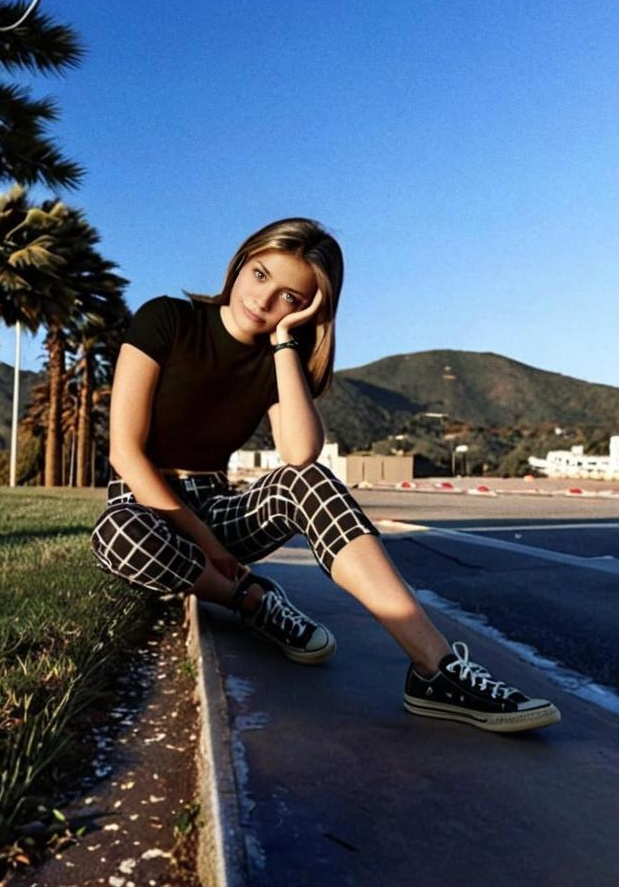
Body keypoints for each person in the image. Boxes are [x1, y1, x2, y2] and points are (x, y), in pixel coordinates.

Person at [92, 218, 560, 734]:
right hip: (144, 501)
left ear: (311, 308)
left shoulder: (277, 357)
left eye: (290, 297)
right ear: (241, 263)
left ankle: (436, 669)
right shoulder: (167, 319)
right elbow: (125, 454)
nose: (264, 300)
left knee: (309, 480)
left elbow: (299, 452)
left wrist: (286, 343)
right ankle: (252, 599)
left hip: (217, 503)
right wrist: (215, 552)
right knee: (117, 533)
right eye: (260, 274)